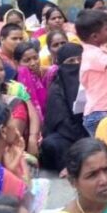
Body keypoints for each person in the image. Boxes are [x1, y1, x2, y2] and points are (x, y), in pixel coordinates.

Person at [75, 9, 107, 136]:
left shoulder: (99, 50)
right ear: (95, 36)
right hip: (101, 112)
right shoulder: (92, 54)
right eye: (106, 29)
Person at [40, 43, 89, 172]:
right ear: (61, 65)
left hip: (91, 127)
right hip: (68, 135)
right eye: (71, 61)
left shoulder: (92, 80)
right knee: (52, 144)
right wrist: (83, 138)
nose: (77, 64)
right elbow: (61, 121)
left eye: (80, 59)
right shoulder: (56, 88)